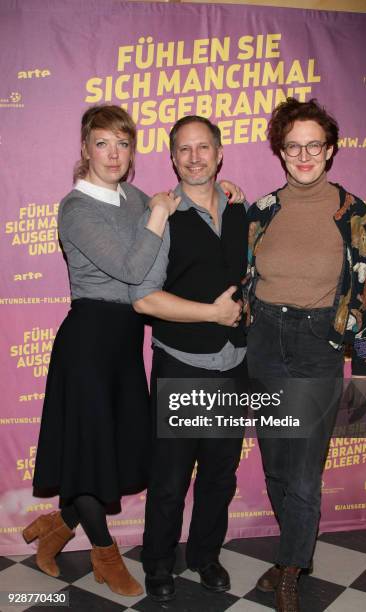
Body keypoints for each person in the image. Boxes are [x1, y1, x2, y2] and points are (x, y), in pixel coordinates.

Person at [23, 105, 241, 597]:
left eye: (122, 143)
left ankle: (56, 527)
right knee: (89, 455)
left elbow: (190, 198)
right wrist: (161, 212)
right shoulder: (75, 208)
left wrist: (227, 191)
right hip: (88, 341)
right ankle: (105, 556)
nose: (114, 153)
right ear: (86, 148)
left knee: (117, 453)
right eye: (103, 143)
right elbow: (129, 268)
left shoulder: (133, 196)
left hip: (125, 344)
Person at [245, 98, 366, 612]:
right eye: (293, 146)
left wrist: (365, 368)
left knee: (304, 472)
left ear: (330, 151)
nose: (304, 155)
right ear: (281, 151)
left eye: (314, 145)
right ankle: (291, 557)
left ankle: (289, 576)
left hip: (319, 346)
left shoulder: (355, 213)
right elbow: (245, 283)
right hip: (265, 345)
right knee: (277, 465)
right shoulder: (260, 211)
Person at [133, 115, 248, 602]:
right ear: (173, 157)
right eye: (184, 149)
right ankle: (158, 563)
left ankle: (205, 555)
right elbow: (144, 298)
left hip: (235, 364)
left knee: (220, 474)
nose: (195, 157)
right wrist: (213, 315)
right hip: (181, 364)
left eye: (204, 148)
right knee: (170, 479)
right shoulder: (162, 215)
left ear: (220, 154)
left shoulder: (243, 209)